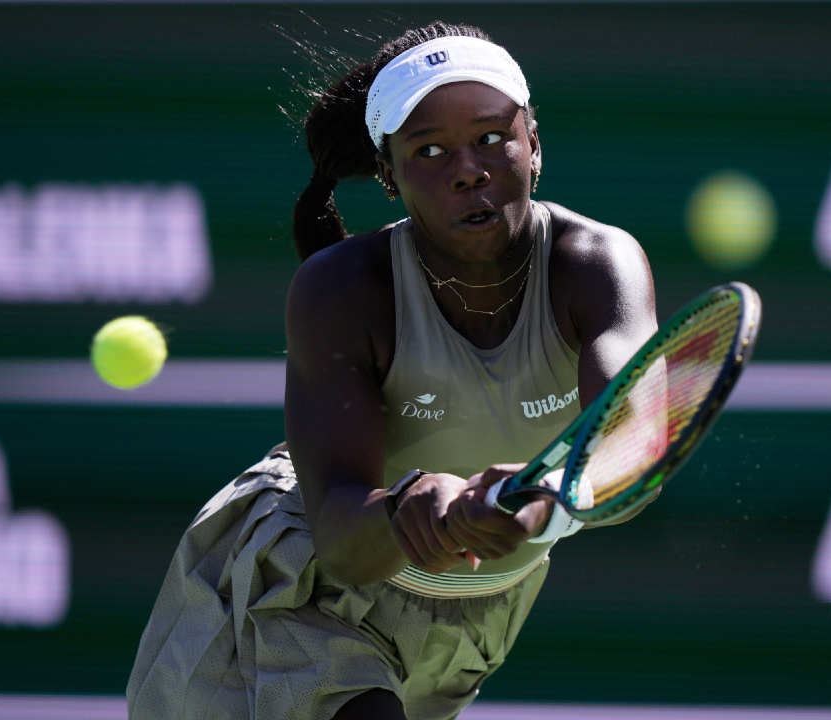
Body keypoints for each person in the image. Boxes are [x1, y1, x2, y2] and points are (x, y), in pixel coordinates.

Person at [127, 21, 659, 720]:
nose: (468, 169)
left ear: (533, 144)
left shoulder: (597, 264)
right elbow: (343, 546)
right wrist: (409, 507)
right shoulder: (340, 288)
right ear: (389, 175)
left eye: (492, 137)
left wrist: (542, 499)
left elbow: (633, 445)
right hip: (304, 580)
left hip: (480, 609)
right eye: (429, 150)